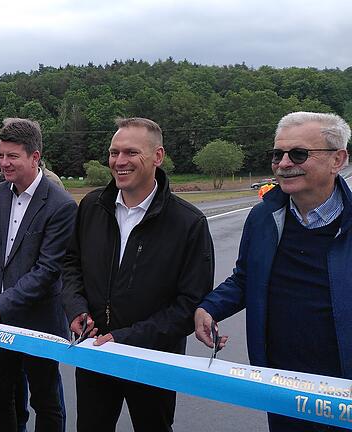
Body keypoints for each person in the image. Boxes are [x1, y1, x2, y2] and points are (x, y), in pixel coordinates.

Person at [194, 112, 352, 432]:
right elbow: (245, 277)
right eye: (277, 154)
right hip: (279, 382)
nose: (283, 163)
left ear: (338, 160)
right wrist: (210, 307)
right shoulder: (263, 216)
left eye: (298, 154)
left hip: (342, 386)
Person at [62, 117, 214, 432]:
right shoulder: (92, 206)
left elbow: (190, 305)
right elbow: (71, 264)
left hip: (153, 359)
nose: (119, 161)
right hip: (95, 351)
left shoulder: (188, 223)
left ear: (158, 156)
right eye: (114, 152)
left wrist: (125, 337)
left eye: (131, 152)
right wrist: (75, 307)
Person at [0, 118, 76, 432]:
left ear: (35, 157)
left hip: (38, 321)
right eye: (0, 155)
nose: (3, 163)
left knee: (45, 400)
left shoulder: (61, 205)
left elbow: (47, 271)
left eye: (12, 156)